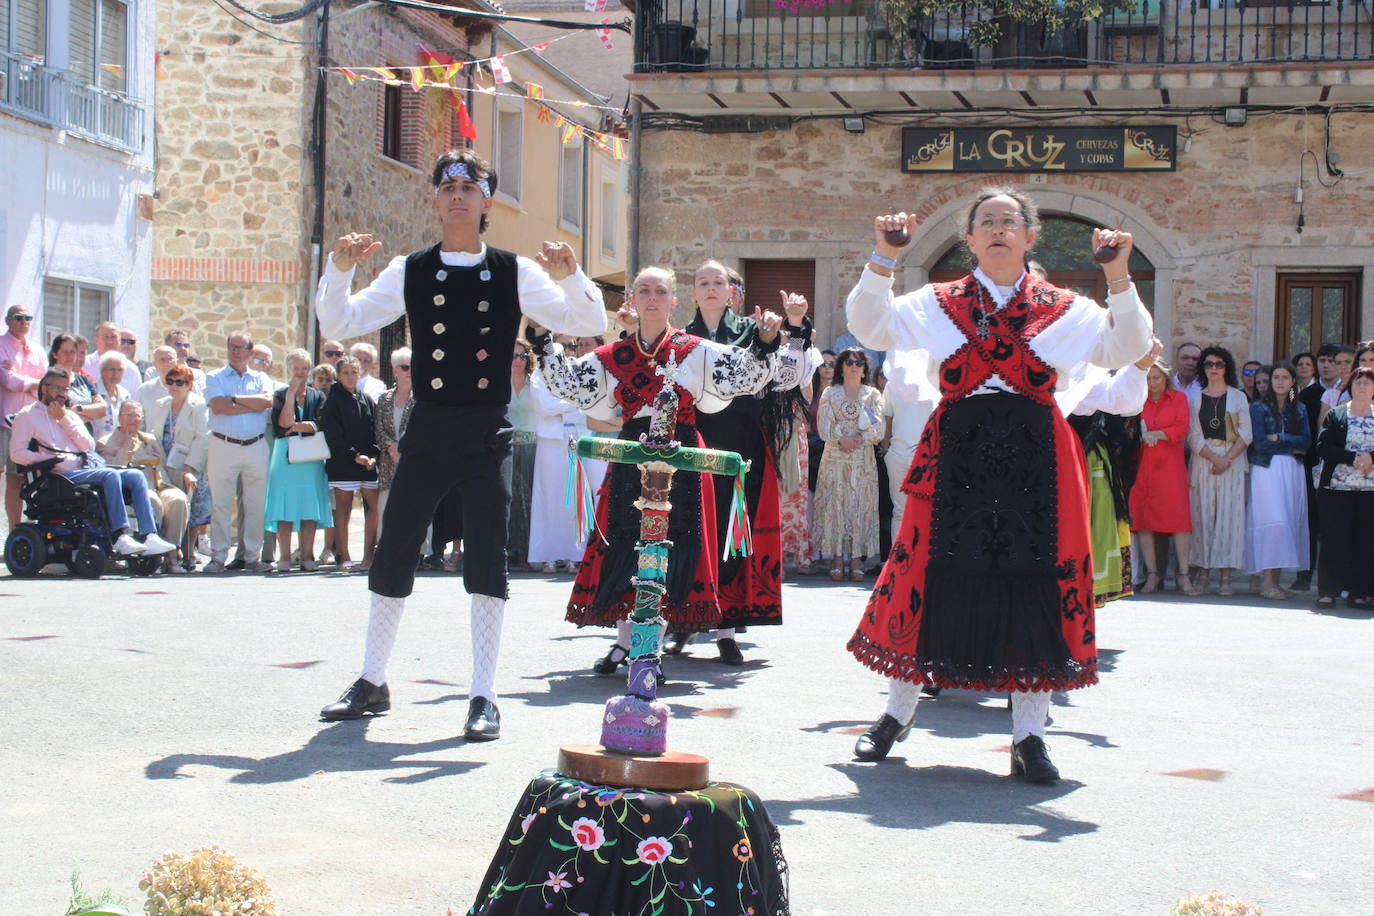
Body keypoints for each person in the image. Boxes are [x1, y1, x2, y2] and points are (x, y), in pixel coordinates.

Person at [844, 187, 1151, 782]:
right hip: (955, 451)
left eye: (1009, 221)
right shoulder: (934, 304)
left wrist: (1118, 276)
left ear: (1029, 237)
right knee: (923, 577)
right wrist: (883, 256)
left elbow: (1128, 345)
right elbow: (869, 324)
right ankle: (895, 714)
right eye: (986, 221)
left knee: (1033, 586)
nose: (998, 229)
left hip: (1039, 460)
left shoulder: (1068, 308)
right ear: (971, 238)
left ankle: (1029, 736)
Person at [313, 149, 606, 741]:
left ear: (485, 201)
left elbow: (583, 318)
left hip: (487, 428)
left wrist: (573, 273)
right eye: (445, 185)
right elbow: (338, 324)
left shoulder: (515, 269)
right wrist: (339, 268)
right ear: (434, 198)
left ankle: (483, 693)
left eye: (468, 186)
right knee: (394, 549)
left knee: (486, 559)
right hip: (429, 426)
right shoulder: (410, 268)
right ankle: (373, 680)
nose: (456, 194)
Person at [538, 265, 808, 676]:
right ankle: (624, 644)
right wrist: (543, 337)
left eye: (659, 291)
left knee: (673, 550)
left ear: (672, 300)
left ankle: (651, 651)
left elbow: (746, 375)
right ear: (632, 300)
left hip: (681, 463)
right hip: (631, 458)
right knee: (625, 547)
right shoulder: (613, 356)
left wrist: (767, 341)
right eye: (643, 290)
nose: (651, 298)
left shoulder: (693, 349)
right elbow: (566, 383)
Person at [678, 261, 817, 663]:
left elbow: (787, 378)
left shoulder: (751, 331)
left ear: (731, 291)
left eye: (717, 282)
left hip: (742, 444)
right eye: (703, 282)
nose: (710, 288)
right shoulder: (682, 336)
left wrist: (790, 328)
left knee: (730, 531)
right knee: (691, 528)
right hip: (695, 442)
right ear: (694, 291)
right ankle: (685, 613)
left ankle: (725, 628)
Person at [9, 366, 178, 558]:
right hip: (58, 476)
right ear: (45, 388)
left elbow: (87, 444)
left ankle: (149, 535)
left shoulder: (69, 414)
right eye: (57, 388)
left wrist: (63, 418)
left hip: (83, 469)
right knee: (110, 475)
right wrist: (49, 459)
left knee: (135, 474)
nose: (62, 394)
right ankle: (120, 535)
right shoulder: (28, 415)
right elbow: (17, 454)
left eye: (66, 389)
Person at [1070, 344, 1156, 606]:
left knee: (1093, 525)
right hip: (1060, 454)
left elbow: (1125, 404)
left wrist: (1140, 365)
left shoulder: (1093, 374)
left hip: (1088, 456)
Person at [203, 331, 273, 574]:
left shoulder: (261, 378)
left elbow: (265, 402)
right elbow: (219, 407)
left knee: (255, 504)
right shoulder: (215, 377)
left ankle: (252, 556)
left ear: (250, 351)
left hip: (255, 445)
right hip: (224, 444)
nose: (235, 351)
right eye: (232, 346)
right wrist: (247, 402)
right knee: (220, 503)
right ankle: (218, 556)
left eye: (240, 347)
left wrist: (233, 399)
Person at [1186, 346, 1253, 596]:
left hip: (1232, 460)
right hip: (1204, 461)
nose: (1214, 368)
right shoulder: (1195, 398)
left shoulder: (1239, 397)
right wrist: (1214, 457)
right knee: (1202, 517)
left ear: (1227, 368)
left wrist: (1227, 459)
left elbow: (1246, 432)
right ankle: (1203, 572)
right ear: (1203, 368)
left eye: (1219, 364)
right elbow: (1192, 434)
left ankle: (1226, 575)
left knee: (1229, 518)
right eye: (1209, 364)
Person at [813, 347, 883, 582]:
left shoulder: (873, 395)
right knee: (835, 506)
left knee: (859, 507)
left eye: (859, 362)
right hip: (834, 459)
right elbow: (824, 427)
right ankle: (836, 558)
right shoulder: (829, 394)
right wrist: (842, 438)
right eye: (849, 361)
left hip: (862, 461)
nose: (854, 365)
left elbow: (879, 429)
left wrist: (858, 439)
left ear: (864, 369)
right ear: (841, 367)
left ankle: (855, 560)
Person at [1130, 355, 1197, 595]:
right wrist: (1140, 436)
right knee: (1144, 520)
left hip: (1170, 467)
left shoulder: (1178, 398)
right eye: (1147, 378)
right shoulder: (1137, 400)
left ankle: (1183, 575)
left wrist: (1155, 435)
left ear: (1166, 377)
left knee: (1179, 521)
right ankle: (1152, 575)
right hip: (1143, 465)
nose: (1151, 383)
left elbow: (1181, 428)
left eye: (1156, 378)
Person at [1244, 361, 1310, 600]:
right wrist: (1291, 444)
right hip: (1267, 469)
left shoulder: (1299, 409)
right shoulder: (1259, 408)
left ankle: (1276, 582)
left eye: (1285, 377)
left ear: (1292, 382)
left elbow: (1306, 442)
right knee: (1273, 520)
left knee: (1288, 521)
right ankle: (1267, 582)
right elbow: (1261, 442)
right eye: (1276, 377)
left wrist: (1280, 437)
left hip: (1292, 470)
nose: (1280, 381)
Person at [98, 401, 190, 574]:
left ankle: (171, 557)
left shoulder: (150, 439)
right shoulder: (105, 442)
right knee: (153, 500)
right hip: (134, 490)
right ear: (119, 417)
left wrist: (185, 474)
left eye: (137, 415)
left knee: (178, 499)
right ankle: (152, 556)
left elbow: (164, 466)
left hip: (160, 484)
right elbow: (112, 472)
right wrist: (126, 446)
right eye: (129, 415)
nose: (133, 419)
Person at [264, 349, 332, 573]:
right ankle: (283, 556)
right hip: (285, 458)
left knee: (309, 506)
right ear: (288, 369)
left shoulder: (318, 396)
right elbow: (282, 423)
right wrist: (292, 394)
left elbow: (319, 424)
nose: (301, 373)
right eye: (296, 368)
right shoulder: (281, 395)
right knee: (285, 506)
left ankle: (307, 555)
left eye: (304, 368)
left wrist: (294, 427)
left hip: (311, 457)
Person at [1314, 366, 1374, 609]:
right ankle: (1328, 592)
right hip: (1336, 491)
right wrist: (1353, 458)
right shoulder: (1336, 414)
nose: (1362, 386)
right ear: (1351, 386)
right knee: (1333, 541)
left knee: (1365, 542)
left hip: (1370, 493)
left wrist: (1371, 456)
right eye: (1358, 382)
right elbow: (1323, 447)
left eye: (1368, 383)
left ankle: (1358, 593)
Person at [528, 339, 587, 574]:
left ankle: (576, 554)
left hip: (576, 436)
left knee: (575, 495)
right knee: (548, 496)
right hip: (550, 441)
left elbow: (585, 402)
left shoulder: (577, 371)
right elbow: (544, 406)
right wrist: (569, 404)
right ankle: (547, 556)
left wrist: (564, 405)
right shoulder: (538, 375)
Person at [146, 364, 211, 573]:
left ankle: (188, 552)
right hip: (165, 464)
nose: (174, 386)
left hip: (189, 464)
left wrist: (189, 468)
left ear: (189, 384)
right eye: (170, 381)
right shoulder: (160, 404)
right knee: (169, 507)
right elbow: (154, 435)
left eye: (179, 382)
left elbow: (202, 439)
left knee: (193, 510)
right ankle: (168, 554)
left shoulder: (198, 406)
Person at [319, 355, 379, 571]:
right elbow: (333, 436)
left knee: (374, 507)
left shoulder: (366, 399)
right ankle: (344, 556)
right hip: (343, 464)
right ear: (339, 375)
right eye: (346, 372)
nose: (351, 376)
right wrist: (354, 455)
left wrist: (373, 455)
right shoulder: (332, 401)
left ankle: (368, 557)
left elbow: (374, 432)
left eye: (354, 372)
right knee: (343, 509)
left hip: (367, 465)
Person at [1, 303, 47, 529]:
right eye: (18, 317)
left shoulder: (37, 350)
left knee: (17, 479)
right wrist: (32, 383)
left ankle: (14, 532)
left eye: (28, 317)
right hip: (4, 422)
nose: (23, 322)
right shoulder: (1, 345)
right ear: (8, 320)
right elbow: (8, 382)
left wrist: (24, 382)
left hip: (29, 425)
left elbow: (45, 386)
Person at [374, 347, 415, 542]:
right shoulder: (384, 398)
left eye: (413, 367)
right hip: (388, 462)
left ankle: (417, 551)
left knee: (413, 506)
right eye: (405, 367)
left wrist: (403, 448)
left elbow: (422, 429)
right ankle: (385, 548)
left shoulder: (421, 399)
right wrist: (391, 448)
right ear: (395, 371)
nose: (410, 371)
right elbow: (378, 429)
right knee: (386, 506)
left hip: (414, 460)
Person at [506, 340, 536, 570]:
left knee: (528, 499)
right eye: (513, 356)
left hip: (531, 447)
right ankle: (506, 550)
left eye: (521, 356)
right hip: (505, 447)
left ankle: (526, 551)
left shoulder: (535, 383)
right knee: (507, 499)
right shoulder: (499, 383)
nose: (517, 360)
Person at [48, 334, 106, 432]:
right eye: (64, 352)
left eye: (72, 352)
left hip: (86, 438)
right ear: (55, 354)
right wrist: (89, 413)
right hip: (61, 438)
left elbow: (102, 409)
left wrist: (77, 408)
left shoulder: (85, 380)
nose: (69, 356)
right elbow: (57, 413)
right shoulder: (49, 381)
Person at [83, 322, 142, 393]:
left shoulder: (131, 369)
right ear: (96, 340)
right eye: (106, 337)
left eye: (113, 337)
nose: (110, 341)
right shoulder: (84, 364)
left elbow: (136, 401)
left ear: (119, 340)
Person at [92, 351, 135, 441]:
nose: (116, 374)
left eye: (120, 370)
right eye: (112, 369)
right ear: (102, 370)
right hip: (97, 446)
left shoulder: (125, 395)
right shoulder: (92, 392)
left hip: (119, 448)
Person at [135, 346, 180, 424]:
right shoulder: (144, 390)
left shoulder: (190, 387)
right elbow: (139, 422)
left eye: (170, 359)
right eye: (162, 360)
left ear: (176, 362)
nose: (167, 363)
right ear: (154, 364)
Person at [1316, 344, 1357, 428]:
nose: (1343, 367)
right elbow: (1322, 428)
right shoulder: (1329, 394)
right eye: (1338, 363)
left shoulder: (1368, 390)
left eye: (1348, 362)